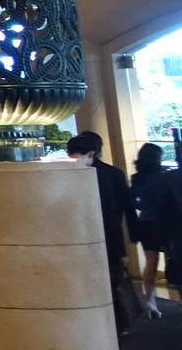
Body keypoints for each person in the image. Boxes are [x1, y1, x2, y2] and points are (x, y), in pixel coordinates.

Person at [68, 132, 140, 332]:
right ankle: (117, 323)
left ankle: (114, 323)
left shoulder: (96, 176)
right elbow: (126, 209)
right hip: (106, 238)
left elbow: (111, 214)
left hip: (99, 238)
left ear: (91, 153)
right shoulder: (112, 173)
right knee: (109, 282)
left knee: (106, 282)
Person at [130, 142, 173, 318]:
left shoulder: (137, 178)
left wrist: (144, 206)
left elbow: (133, 201)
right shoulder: (165, 176)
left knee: (151, 262)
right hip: (166, 222)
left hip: (146, 222)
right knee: (172, 258)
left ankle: (150, 299)